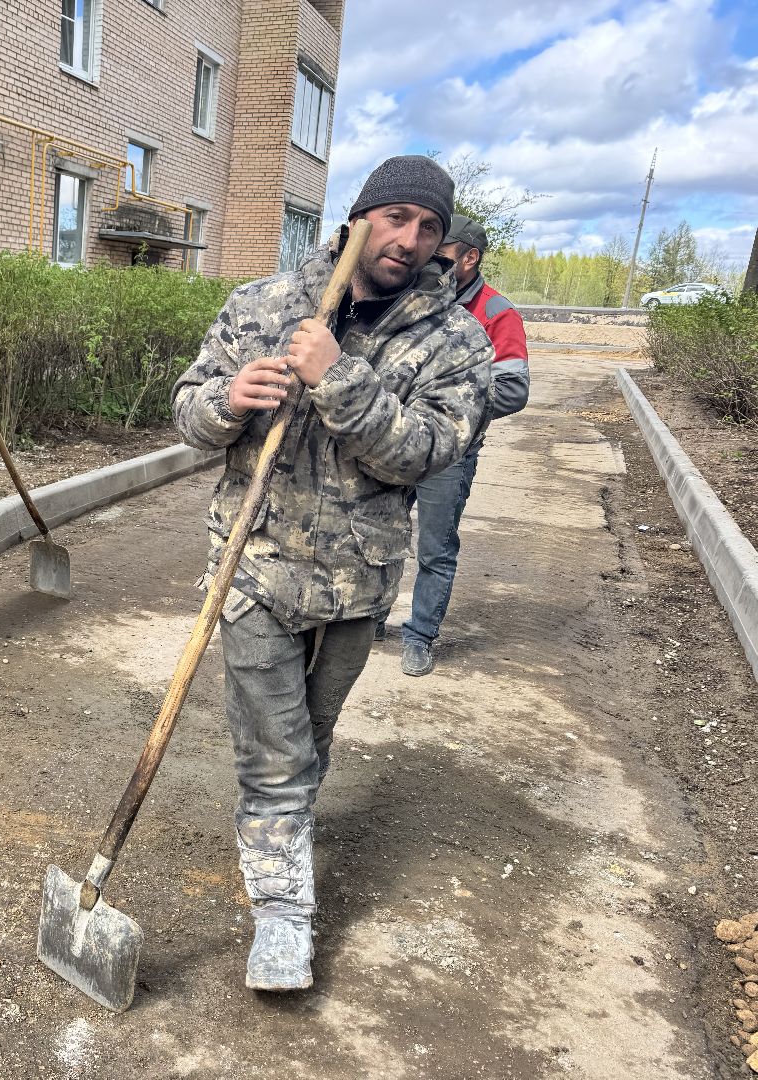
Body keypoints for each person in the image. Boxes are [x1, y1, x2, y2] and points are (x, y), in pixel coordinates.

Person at [172, 155, 493, 992]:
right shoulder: (264, 304)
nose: (410, 240)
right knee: (275, 756)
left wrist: (337, 378)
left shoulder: (455, 341)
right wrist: (226, 400)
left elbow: (427, 451)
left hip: (358, 585)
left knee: (310, 740)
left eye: (428, 227)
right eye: (394, 218)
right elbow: (188, 413)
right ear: (356, 220)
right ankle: (283, 915)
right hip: (254, 570)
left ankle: (282, 832)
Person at [396, 213, 530, 677]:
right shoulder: (414, 299)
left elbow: (512, 390)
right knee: (382, 530)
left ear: (470, 258)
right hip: (394, 442)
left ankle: (419, 636)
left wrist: (448, 392)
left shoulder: (496, 312)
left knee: (435, 548)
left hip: (449, 454)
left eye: (440, 254)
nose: (427, 259)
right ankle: (368, 616)